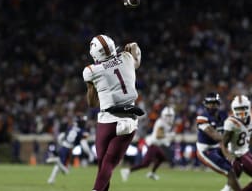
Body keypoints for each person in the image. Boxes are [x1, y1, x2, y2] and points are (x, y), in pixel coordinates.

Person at [83, 34, 143, 191]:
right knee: (107, 165)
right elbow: (137, 58)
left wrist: (91, 86)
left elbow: (92, 103)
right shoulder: (127, 58)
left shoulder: (91, 70)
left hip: (107, 120)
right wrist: (135, 46)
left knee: (103, 165)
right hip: (129, 119)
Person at [195, 93, 242, 191]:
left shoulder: (223, 115)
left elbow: (233, 128)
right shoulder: (202, 118)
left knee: (239, 165)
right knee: (230, 172)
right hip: (205, 150)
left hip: (218, 147)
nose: (211, 106)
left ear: (218, 104)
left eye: (214, 103)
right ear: (205, 104)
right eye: (209, 103)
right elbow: (215, 136)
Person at [120, 106, 175, 182]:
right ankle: (127, 171)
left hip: (156, 145)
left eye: (170, 116)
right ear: (163, 115)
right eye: (167, 116)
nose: (169, 117)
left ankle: (152, 173)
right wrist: (168, 135)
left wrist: (166, 137)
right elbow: (158, 136)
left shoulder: (166, 123)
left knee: (162, 158)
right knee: (145, 164)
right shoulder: (161, 123)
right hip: (152, 144)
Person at [46, 114, 94, 184]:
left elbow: (60, 136)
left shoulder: (71, 127)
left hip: (63, 147)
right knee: (66, 171)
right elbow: (84, 144)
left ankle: (51, 179)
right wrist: (90, 154)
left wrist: (61, 144)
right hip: (69, 149)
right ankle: (57, 161)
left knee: (59, 165)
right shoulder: (81, 131)